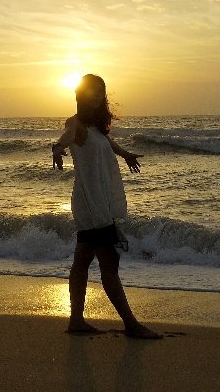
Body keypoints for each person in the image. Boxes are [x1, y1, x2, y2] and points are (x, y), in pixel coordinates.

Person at [52, 74, 161, 339]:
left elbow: (107, 144)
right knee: (109, 260)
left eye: (101, 92)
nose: (97, 96)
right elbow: (64, 139)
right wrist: (56, 149)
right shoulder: (76, 124)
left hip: (97, 202)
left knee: (83, 260)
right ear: (80, 94)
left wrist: (126, 155)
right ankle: (130, 324)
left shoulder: (96, 128)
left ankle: (76, 321)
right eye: (92, 92)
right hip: (90, 204)